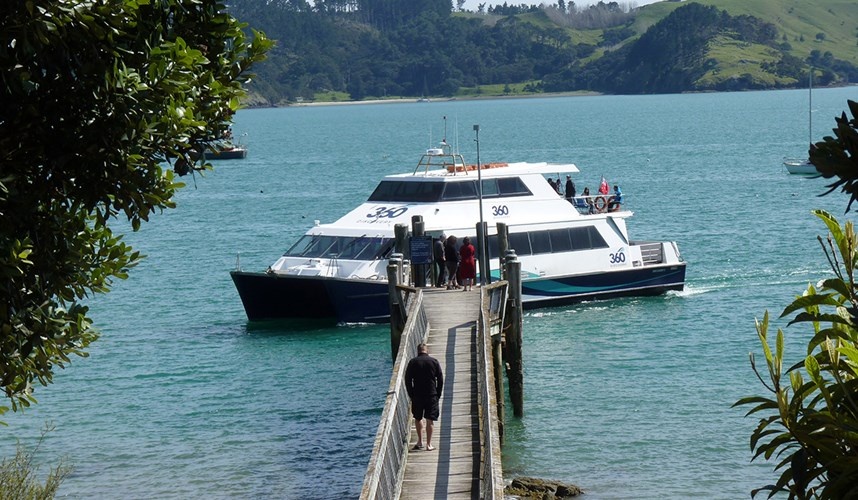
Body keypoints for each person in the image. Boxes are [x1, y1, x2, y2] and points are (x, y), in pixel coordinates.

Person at [405, 343, 443, 452]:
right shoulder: (434, 361)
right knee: (430, 419)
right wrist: (438, 393)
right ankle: (429, 444)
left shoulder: (413, 362)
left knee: (418, 418)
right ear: (427, 351)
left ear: (418, 351)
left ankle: (420, 441)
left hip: (417, 394)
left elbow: (407, 379)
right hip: (431, 394)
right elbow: (440, 379)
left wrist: (411, 393)